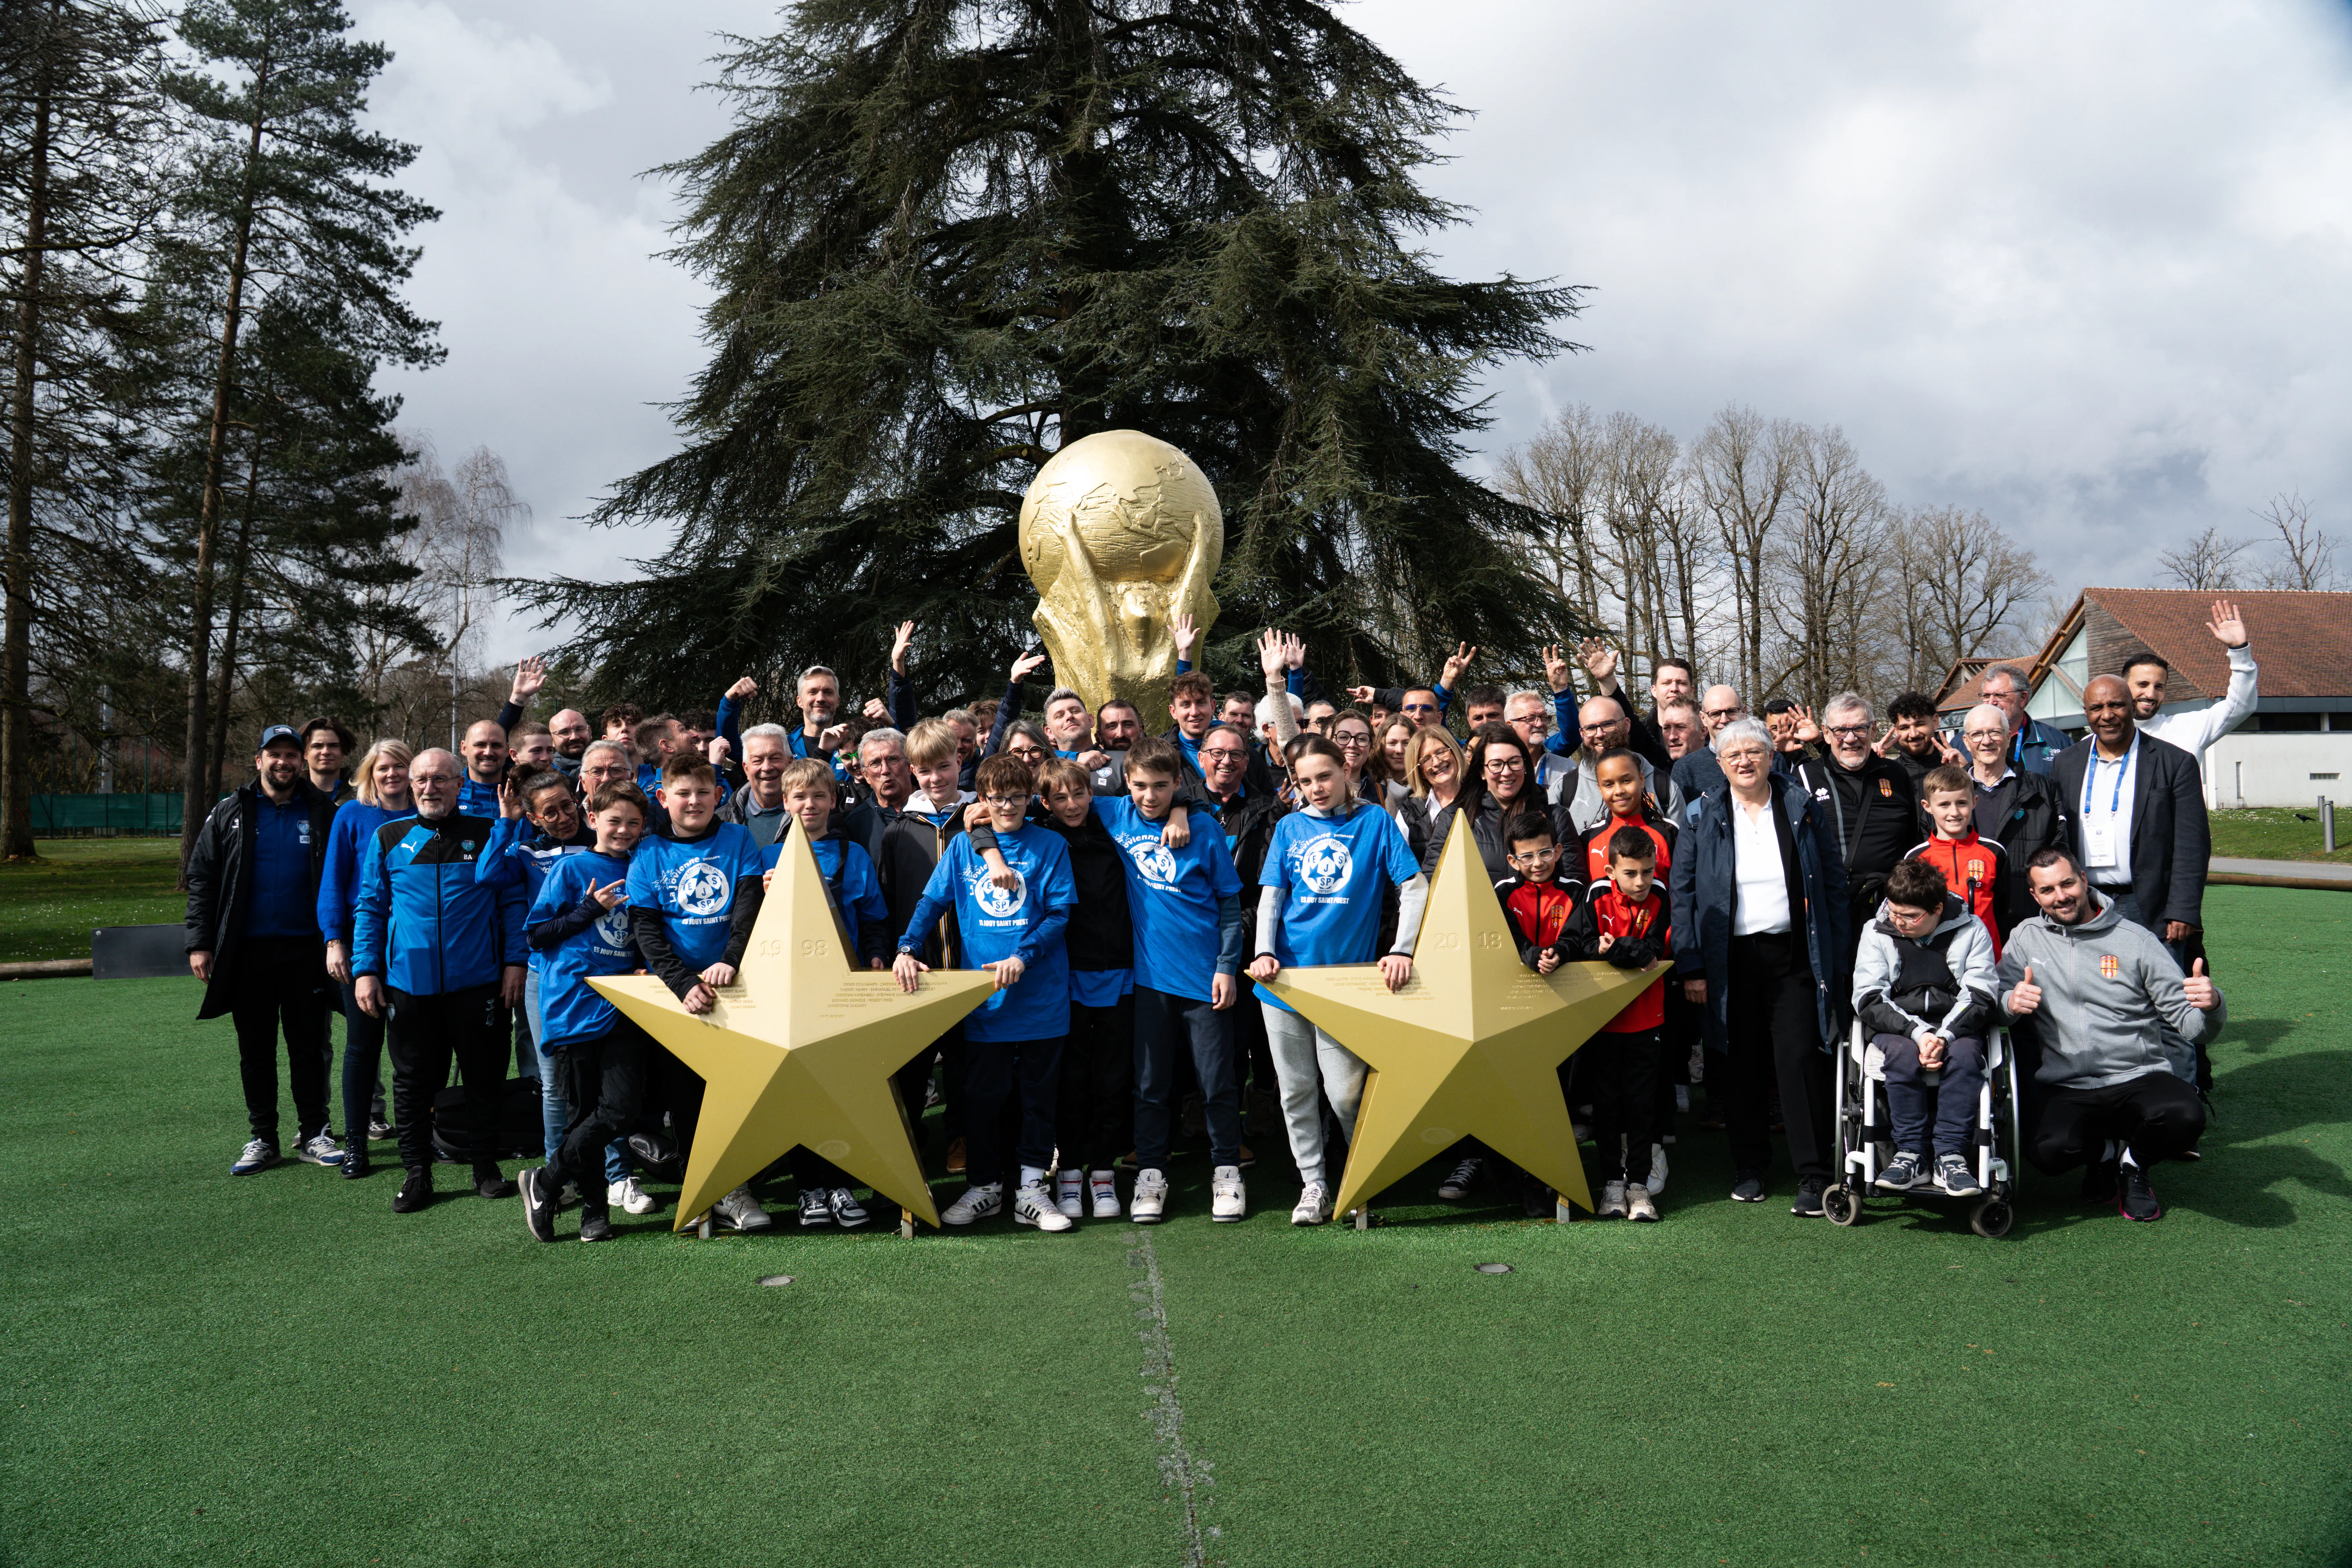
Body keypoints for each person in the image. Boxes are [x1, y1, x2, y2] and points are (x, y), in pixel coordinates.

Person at [1671, 718, 1850, 1215]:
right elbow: (1682, 895)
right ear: (1721, 763)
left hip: (1794, 957)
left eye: (1755, 752)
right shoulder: (1701, 814)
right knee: (1739, 1065)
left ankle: (1814, 1174)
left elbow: (1832, 886)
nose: (1745, 761)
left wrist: (1840, 960)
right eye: (1735, 755)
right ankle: (1749, 1168)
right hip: (1727, 962)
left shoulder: (1801, 807)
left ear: (1773, 757)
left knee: (1799, 1062)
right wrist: (1691, 966)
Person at [895, 752, 1079, 1233]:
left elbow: (1060, 914)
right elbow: (933, 901)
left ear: (1030, 799)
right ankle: (985, 1188)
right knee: (982, 1099)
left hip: (1041, 1000)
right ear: (983, 800)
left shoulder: (1052, 845)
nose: (1008, 807)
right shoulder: (961, 848)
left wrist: (1025, 955)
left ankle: (1033, 1191)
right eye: (998, 799)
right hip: (983, 1005)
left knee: (1039, 1100)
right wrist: (906, 947)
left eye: (1017, 798)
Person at [1248, 736, 1429, 1226]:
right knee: (1296, 1090)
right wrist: (1265, 950)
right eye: (1304, 781)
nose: (1316, 788)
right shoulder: (1288, 827)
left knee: (1347, 1093)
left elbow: (1413, 887)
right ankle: (1315, 1185)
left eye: (1324, 776)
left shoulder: (1374, 822)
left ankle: (1363, 1176)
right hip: (1285, 984)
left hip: (1347, 986)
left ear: (1345, 771)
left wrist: (1402, 949)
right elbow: (1272, 899)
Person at [2000, 848, 2222, 1221]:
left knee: (2186, 1115)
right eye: (2048, 889)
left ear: (2084, 880)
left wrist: (2212, 1005)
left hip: (2138, 1076)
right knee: (2045, 1152)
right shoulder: (2025, 938)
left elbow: (2191, 1026)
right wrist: (2009, 1001)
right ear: (2035, 895)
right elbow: (1994, 1005)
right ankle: (2105, 1154)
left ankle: (2133, 1166)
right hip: (2068, 1083)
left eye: (2068, 883)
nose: (2062, 896)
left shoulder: (2136, 940)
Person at [350, 748, 527, 1213]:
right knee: (412, 1083)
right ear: (412, 785)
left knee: (485, 1079)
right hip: (409, 987)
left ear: (459, 784)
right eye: (423, 780)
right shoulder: (390, 837)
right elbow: (370, 906)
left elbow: (511, 902)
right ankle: (417, 1172)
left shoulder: (489, 832)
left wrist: (514, 962)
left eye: (442, 779)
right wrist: (366, 969)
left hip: (480, 983)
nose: (432, 788)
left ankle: (485, 1166)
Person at [969, 757, 1139, 1221]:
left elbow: (1167, 797)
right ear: (1044, 802)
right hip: (1065, 978)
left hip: (1120, 973)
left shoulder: (1111, 824)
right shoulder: (1041, 830)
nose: (1071, 804)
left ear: (1093, 794)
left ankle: (1102, 1173)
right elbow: (982, 821)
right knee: (1070, 1084)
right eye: (1059, 798)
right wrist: (987, 844)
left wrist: (1182, 808)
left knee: (1112, 1080)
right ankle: (1068, 1176)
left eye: (1079, 794)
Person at [187, 724, 344, 1176]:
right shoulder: (230, 811)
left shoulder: (324, 812)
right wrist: (198, 942)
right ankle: (263, 1138)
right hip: (248, 954)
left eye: (291, 755)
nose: (283, 763)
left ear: (302, 762)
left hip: (306, 954)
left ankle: (315, 1132)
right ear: (258, 760)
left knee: (308, 1048)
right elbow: (203, 879)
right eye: (274, 755)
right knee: (255, 1050)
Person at [1101, 739, 1248, 1224]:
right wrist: (980, 827)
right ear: (1128, 783)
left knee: (1217, 1084)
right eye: (1141, 785)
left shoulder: (1203, 827)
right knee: (1150, 1086)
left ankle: (1227, 1171)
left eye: (1162, 787)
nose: (1150, 796)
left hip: (1207, 981)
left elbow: (1230, 903)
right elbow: (1053, 796)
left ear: (1176, 785)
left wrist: (1227, 966)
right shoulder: (1115, 815)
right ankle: (1152, 1174)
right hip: (1150, 983)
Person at [626, 754, 772, 1232]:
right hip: (678, 995)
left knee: (738, 1092)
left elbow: (748, 907)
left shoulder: (739, 838)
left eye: (703, 793)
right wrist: (684, 984)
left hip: (736, 987)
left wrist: (730, 960)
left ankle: (737, 1188)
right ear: (663, 798)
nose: (694, 802)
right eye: (683, 794)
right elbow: (647, 934)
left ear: (719, 797)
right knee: (686, 1098)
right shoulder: (646, 854)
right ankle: (702, 1187)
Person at [519, 782, 656, 1243]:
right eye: (614, 821)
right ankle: (594, 1212)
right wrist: (588, 909)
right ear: (593, 818)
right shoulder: (572, 867)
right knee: (582, 1115)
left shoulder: (644, 867)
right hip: (575, 1005)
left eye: (633, 822)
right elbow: (537, 935)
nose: (623, 830)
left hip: (623, 1006)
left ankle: (547, 1181)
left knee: (620, 1108)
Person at [767, 756, 891, 1227]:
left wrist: (877, 955)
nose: (810, 805)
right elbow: (747, 929)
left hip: (841, 994)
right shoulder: (766, 859)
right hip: (788, 998)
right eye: (800, 797)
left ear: (834, 801)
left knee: (840, 1091)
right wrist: (764, 895)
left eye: (820, 796)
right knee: (800, 1093)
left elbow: (876, 917)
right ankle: (809, 1190)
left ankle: (841, 1185)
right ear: (786, 803)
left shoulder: (852, 856)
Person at [1852, 859, 1998, 1199]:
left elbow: (1982, 995)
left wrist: (1943, 1036)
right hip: (1898, 1028)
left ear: (1938, 908)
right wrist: (1920, 1035)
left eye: (1911, 917)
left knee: (1965, 1055)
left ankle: (1950, 1155)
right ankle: (1911, 1154)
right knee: (1902, 1056)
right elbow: (1868, 997)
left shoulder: (1972, 928)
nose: (1900, 923)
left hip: (1955, 1026)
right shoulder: (1876, 930)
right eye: (1895, 913)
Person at [2050, 674, 2209, 964]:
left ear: (2133, 708)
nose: (2107, 715)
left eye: (2117, 705)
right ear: (2086, 713)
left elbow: (2192, 845)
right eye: (2097, 708)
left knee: (2163, 1000)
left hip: (2152, 907)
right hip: (2088, 904)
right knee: (2096, 994)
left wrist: (2183, 910)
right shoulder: (2066, 763)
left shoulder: (2174, 762)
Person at [1558, 824, 1672, 1222]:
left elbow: (1654, 950)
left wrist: (1619, 948)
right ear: (1610, 870)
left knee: (1642, 1106)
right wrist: (1623, 951)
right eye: (1631, 873)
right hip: (1602, 1022)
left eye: (1648, 870)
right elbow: (1586, 948)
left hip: (1647, 1019)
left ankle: (1639, 1186)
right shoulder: (1594, 895)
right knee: (1607, 1107)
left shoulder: (1661, 894)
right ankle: (1611, 1184)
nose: (1642, 881)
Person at [881, 718, 978, 1174]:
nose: (936, 778)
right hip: (915, 971)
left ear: (961, 760)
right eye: (924, 770)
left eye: (944, 766)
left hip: (969, 966)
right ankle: (903, 1145)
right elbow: (887, 900)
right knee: (911, 1065)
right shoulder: (898, 830)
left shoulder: (981, 821)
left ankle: (961, 1139)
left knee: (964, 1065)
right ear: (912, 773)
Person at [320, 739, 415, 1177]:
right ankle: (356, 1142)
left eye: (399, 767)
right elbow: (334, 882)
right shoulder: (352, 815)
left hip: (416, 947)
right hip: (365, 944)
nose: (392, 775)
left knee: (415, 1049)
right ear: (369, 774)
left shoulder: (428, 814)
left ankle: (422, 1136)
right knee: (362, 1047)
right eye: (383, 768)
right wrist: (334, 939)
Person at [1788, 693, 1919, 946]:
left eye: (1859, 729)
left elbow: (1911, 840)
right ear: (1826, 734)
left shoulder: (1896, 774)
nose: (1850, 739)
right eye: (1840, 731)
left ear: (1873, 729)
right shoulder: (1804, 778)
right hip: (1833, 908)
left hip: (1892, 910)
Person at [2126, 598, 2260, 794]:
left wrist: (2239, 651)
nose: (2151, 694)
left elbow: (2241, 706)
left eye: (2159, 687)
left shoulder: (2187, 728)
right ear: (2123, 686)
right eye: (2142, 685)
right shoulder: (2099, 740)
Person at [1958, 702, 2069, 929]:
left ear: (2009, 738)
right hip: (1964, 922)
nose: (1986, 741)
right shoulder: (1949, 792)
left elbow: (2060, 851)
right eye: (1977, 734)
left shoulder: (2041, 789)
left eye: (1995, 732)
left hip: (2029, 921)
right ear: (1967, 743)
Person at [1906, 765, 2012, 952]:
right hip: (1938, 957)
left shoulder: (1995, 852)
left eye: (1962, 803)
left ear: (1975, 802)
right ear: (1927, 807)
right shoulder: (1916, 858)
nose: (1954, 813)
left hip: (1988, 956)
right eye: (1944, 805)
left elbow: (2002, 910)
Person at [1465, 722, 1562, 881]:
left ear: (1525, 765)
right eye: (1496, 765)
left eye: (1515, 762)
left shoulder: (1556, 818)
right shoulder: (1456, 817)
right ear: (1482, 772)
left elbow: (1573, 884)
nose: (1507, 772)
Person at [1392, 724, 1467, 872]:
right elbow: (1400, 868)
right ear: (1419, 772)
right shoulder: (1409, 811)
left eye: (1441, 752)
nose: (1437, 763)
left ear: (1455, 752)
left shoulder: (1482, 798)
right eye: (1426, 760)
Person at [1977, 664, 2068, 777]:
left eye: (1999, 696)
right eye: (1986, 696)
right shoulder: (1961, 745)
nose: (1991, 703)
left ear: (2022, 699)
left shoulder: (2059, 743)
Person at [716, 722, 794, 848]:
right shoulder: (721, 821)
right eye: (757, 760)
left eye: (775, 758)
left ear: (791, 763)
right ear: (746, 770)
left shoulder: (810, 814)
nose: (767, 767)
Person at [1670, 685, 1751, 805]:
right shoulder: (1685, 769)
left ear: (1744, 712)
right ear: (1703, 718)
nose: (1724, 720)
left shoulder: (1769, 759)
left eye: (1731, 712)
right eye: (1715, 714)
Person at [1881, 691, 1961, 796]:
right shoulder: (1886, 774)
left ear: (1935, 722)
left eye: (1920, 724)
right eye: (1905, 728)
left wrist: (1963, 774)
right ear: (1896, 731)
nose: (1914, 734)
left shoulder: (1955, 769)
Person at [458, 719, 510, 818]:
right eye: (480, 745)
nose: (488, 753)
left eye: (497, 746)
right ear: (464, 748)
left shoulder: (523, 794)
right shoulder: (449, 793)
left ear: (507, 750)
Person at [300, 717, 356, 802]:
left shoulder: (364, 794)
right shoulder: (291, 794)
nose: (326, 752)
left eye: (333, 746)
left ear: (343, 752)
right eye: (317, 746)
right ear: (305, 754)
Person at [546, 707, 594, 779]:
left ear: (590, 732)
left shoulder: (610, 768)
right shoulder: (547, 775)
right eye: (564, 732)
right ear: (552, 740)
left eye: (579, 729)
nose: (574, 737)